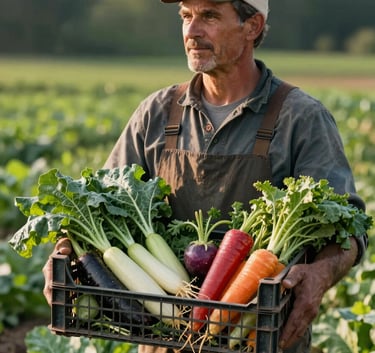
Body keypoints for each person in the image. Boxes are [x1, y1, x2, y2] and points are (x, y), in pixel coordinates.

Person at [42, 0, 368, 352]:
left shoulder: (301, 118)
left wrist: (320, 275)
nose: (192, 31)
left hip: (259, 336)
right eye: (186, 16)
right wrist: (65, 248)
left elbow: (347, 228)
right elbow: (96, 203)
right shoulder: (156, 112)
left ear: (252, 26)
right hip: (164, 339)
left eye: (209, 16)